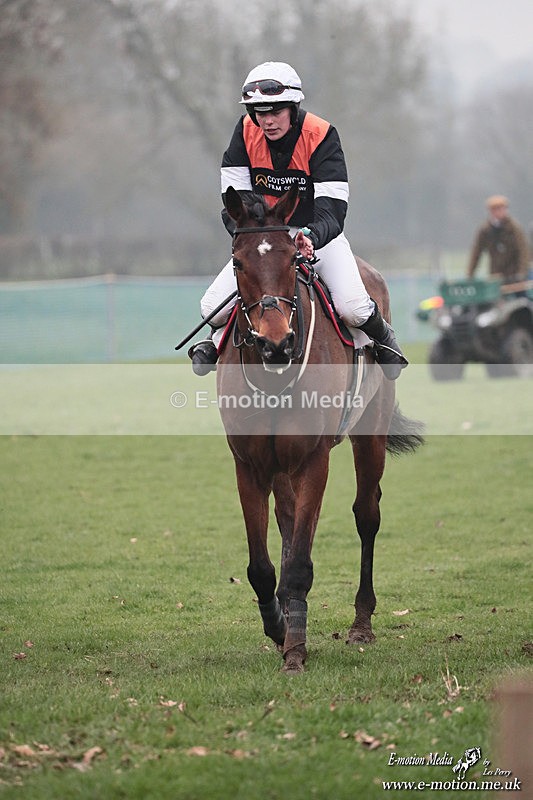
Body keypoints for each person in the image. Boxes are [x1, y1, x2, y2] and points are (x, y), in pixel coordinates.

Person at [189, 61, 408, 379]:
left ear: (292, 107)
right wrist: (257, 235)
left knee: (354, 307)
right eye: (260, 112)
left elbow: (333, 209)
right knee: (211, 306)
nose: (267, 120)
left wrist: (311, 235)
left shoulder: (321, 135)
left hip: (317, 235)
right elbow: (232, 203)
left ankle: (385, 339)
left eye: (275, 111)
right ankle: (216, 339)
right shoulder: (244, 133)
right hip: (266, 239)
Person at [467, 195, 529, 283]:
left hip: (514, 275)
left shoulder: (514, 228)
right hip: (496, 275)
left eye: (502, 209)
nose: (499, 212)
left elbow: (523, 251)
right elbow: (477, 252)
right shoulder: (485, 230)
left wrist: (521, 273)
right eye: (495, 209)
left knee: (520, 296)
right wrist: (470, 274)